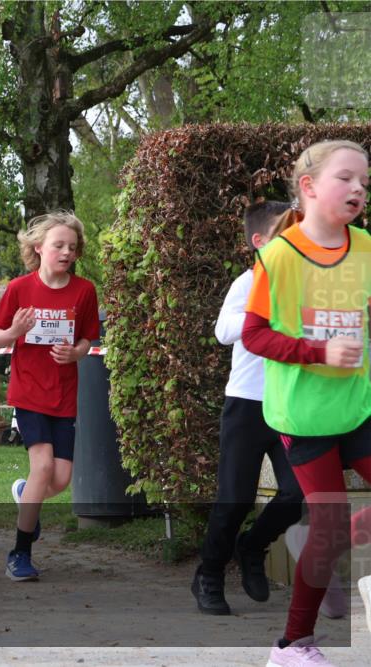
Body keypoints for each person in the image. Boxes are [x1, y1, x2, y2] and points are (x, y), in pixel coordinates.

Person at [239, 140, 371, 666]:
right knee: (333, 528)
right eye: (346, 178)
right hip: (305, 417)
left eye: (364, 179)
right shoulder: (279, 256)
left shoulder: (365, 248)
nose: (359, 188)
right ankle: (292, 648)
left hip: (358, 408)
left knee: (332, 528)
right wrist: (319, 351)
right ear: (310, 187)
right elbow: (253, 336)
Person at [191, 200, 304, 615]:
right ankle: (210, 574)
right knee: (235, 499)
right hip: (248, 405)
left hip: (293, 406)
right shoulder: (249, 282)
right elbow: (223, 331)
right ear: (260, 242)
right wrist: (271, 314)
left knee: (297, 493)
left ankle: (252, 547)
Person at [0, 212, 100, 581]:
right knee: (42, 467)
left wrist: (77, 353)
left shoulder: (84, 291)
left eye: (72, 247)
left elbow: (86, 338)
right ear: (38, 248)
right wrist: (14, 331)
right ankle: (20, 552)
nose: (66, 252)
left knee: (61, 479)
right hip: (29, 391)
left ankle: (26, 497)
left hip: (64, 393)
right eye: (59, 245)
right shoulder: (20, 288)